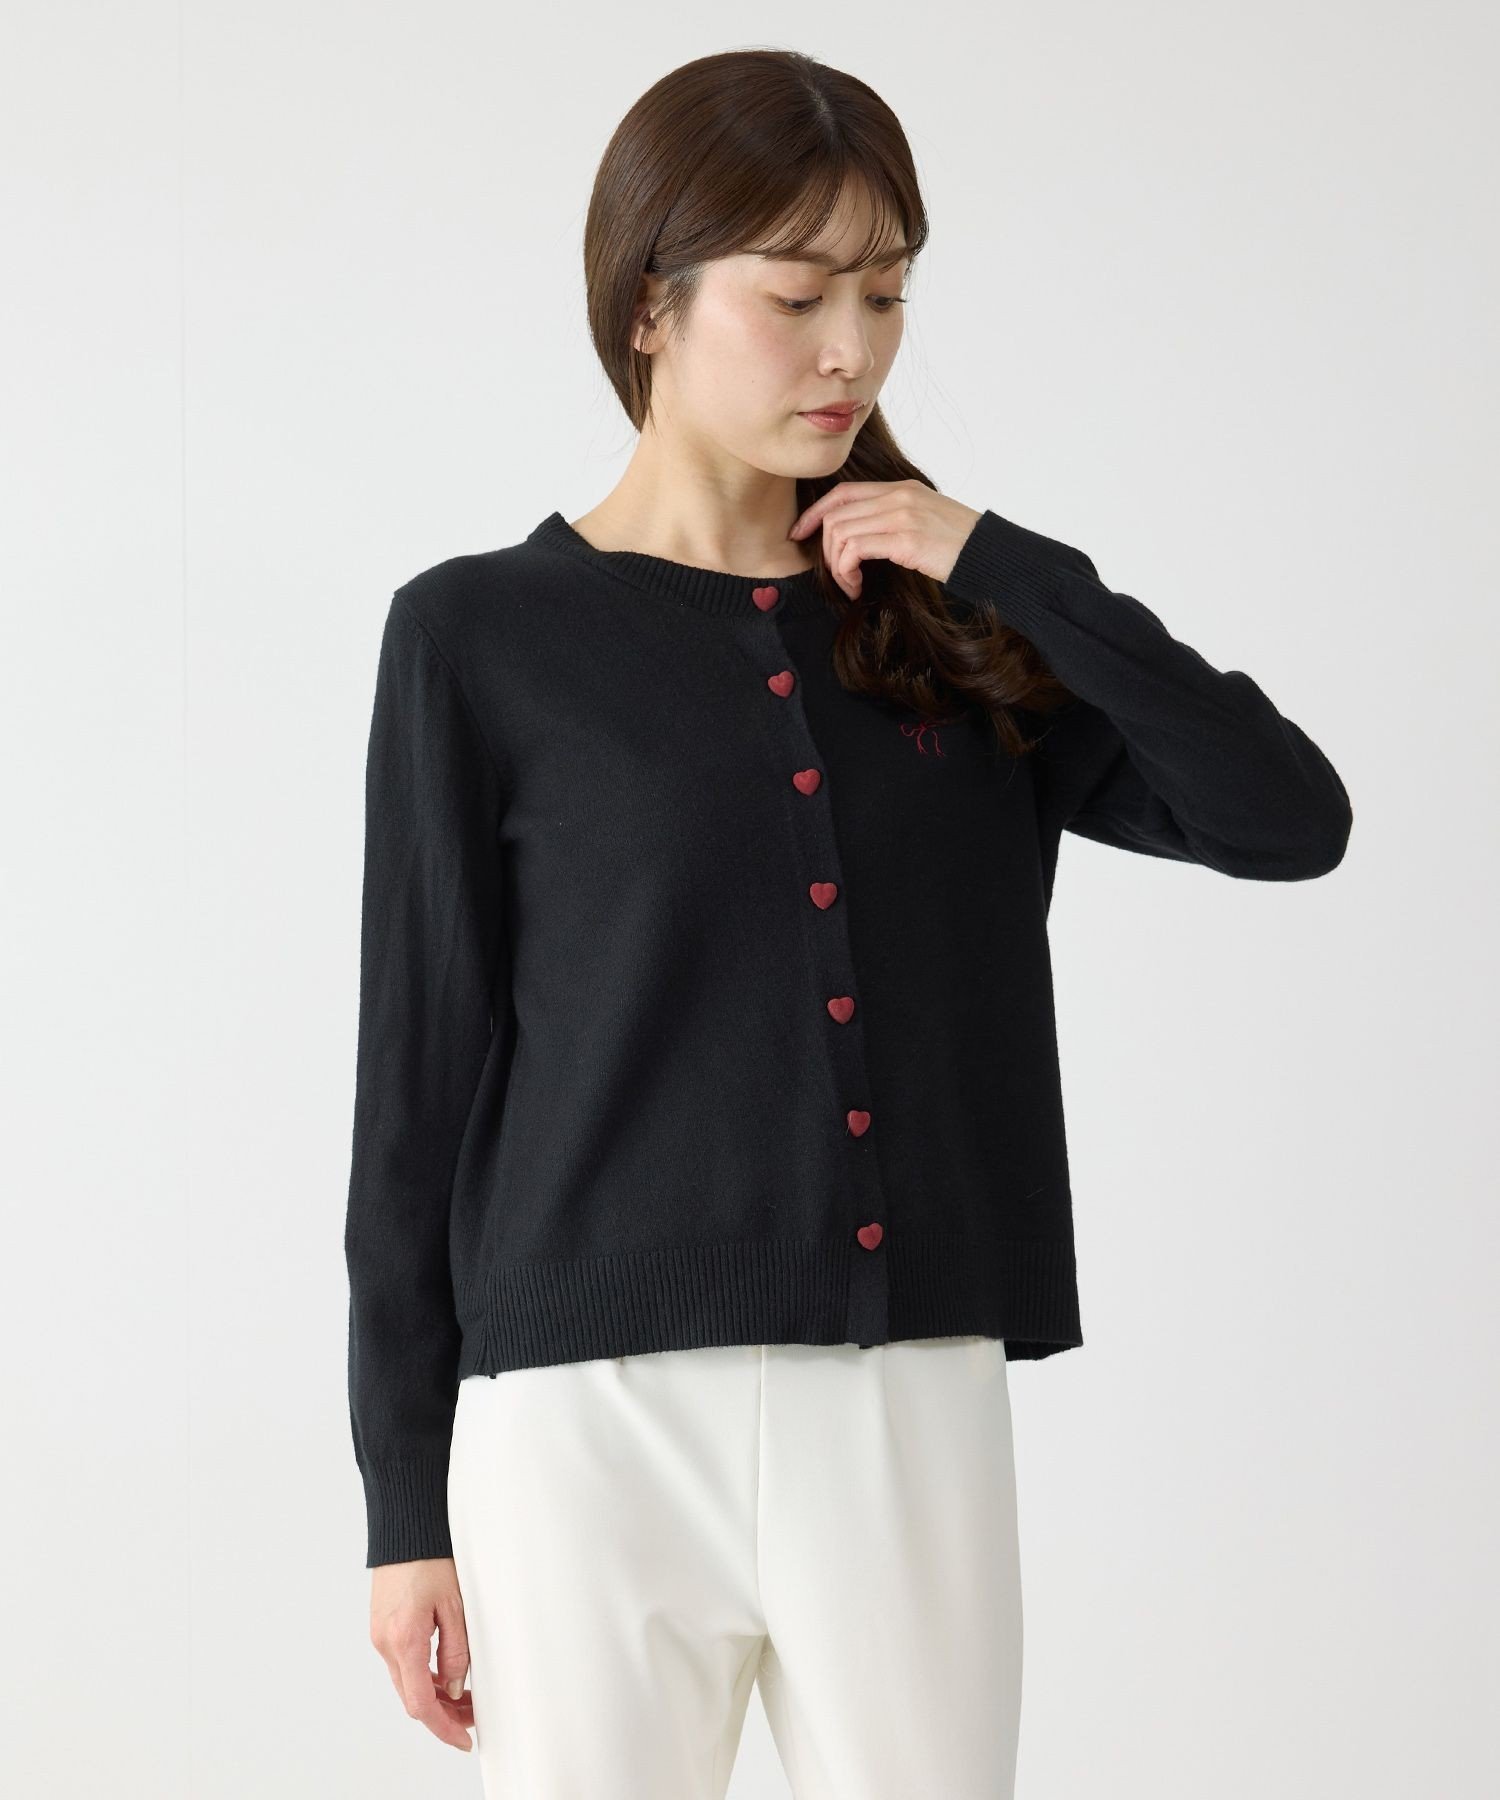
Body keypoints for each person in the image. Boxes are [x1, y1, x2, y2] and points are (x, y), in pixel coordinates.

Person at [344, 48, 1352, 1800]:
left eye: (886, 296)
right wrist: (400, 1508)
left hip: (905, 1403)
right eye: (798, 296)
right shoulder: (477, 639)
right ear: (649, 305)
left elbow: (1286, 818)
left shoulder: (949, 627)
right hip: (585, 1418)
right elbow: (415, 1095)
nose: (853, 352)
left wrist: (1008, 566)